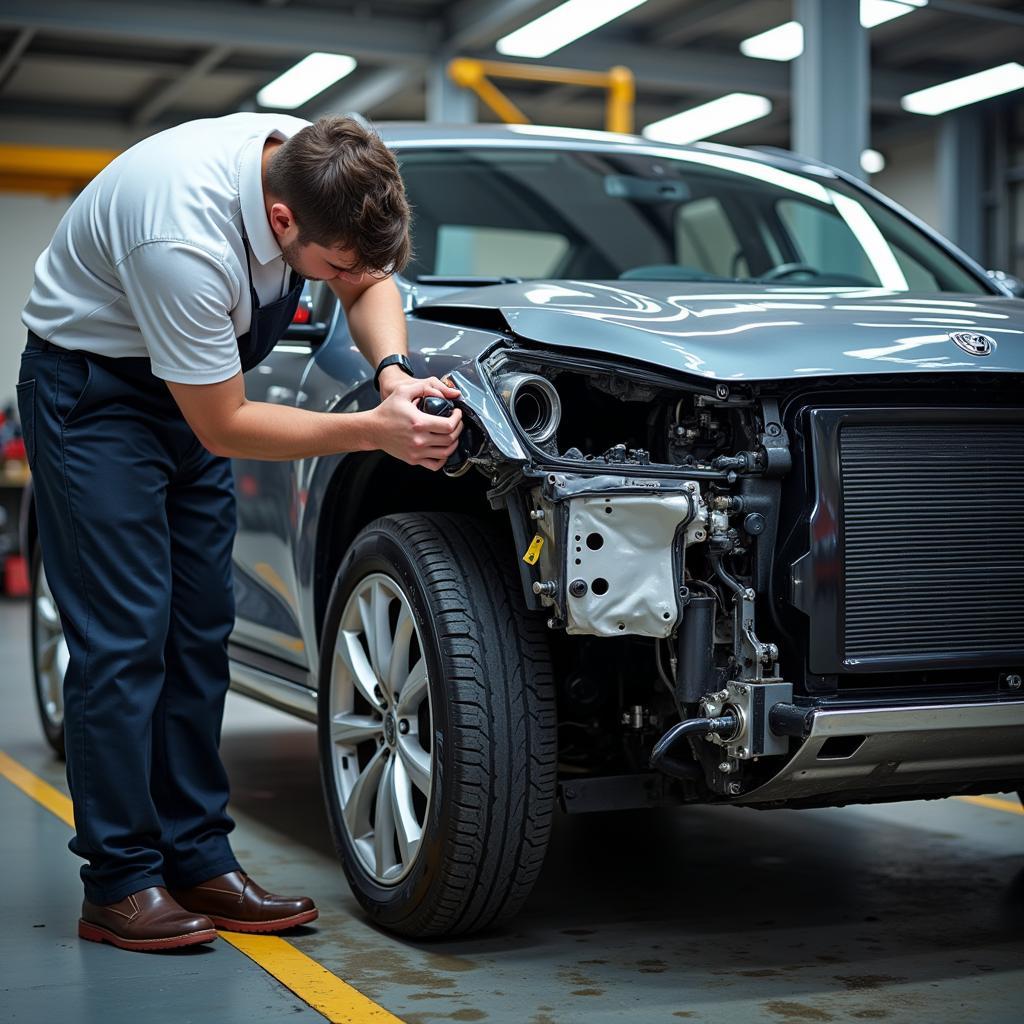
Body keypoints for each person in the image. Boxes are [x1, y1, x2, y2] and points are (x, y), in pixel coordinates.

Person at [17, 113, 462, 952]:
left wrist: (393, 376)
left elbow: (366, 283)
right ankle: (117, 883)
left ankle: (195, 859)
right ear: (281, 221)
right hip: (95, 397)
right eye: (330, 262)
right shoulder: (180, 238)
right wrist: (374, 430)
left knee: (199, 630)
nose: (345, 276)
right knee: (124, 640)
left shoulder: (316, 163)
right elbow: (223, 424)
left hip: (189, 384)